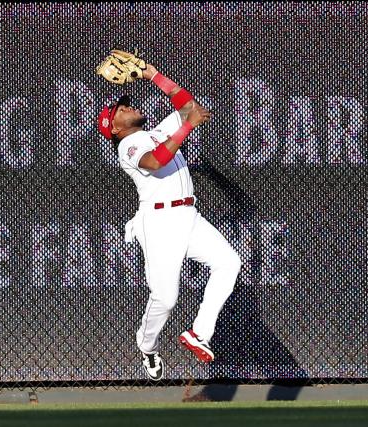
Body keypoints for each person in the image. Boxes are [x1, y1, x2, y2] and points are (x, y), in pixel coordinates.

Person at [96, 62, 242, 381]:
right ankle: (147, 346)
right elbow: (156, 159)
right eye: (120, 109)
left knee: (229, 262)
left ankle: (199, 333)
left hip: (188, 215)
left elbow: (189, 106)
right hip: (159, 221)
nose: (127, 106)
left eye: (125, 103)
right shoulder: (128, 145)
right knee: (166, 297)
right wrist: (187, 126)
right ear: (115, 128)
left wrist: (151, 73)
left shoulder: (158, 133)